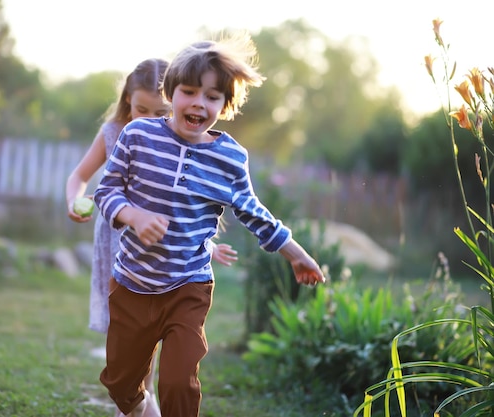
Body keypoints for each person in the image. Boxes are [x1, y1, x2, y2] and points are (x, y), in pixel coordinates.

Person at [93, 32, 326, 417]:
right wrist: (132, 215)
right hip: (132, 282)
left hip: (188, 285)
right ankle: (137, 408)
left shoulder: (229, 159)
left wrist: (295, 253)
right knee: (120, 382)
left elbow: (253, 211)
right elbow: (106, 190)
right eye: (189, 91)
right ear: (171, 92)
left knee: (178, 380)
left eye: (212, 97)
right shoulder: (138, 135)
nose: (199, 103)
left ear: (226, 104)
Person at [65, 58, 238, 417]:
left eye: (156, 111)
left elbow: (187, 206)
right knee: (125, 338)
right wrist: (73, 200)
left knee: (155, 340)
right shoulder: (114, 133)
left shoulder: (180, 141)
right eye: (138, 108)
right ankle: (133, 402)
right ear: (126, 100)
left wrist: (208, 244)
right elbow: (79, 176)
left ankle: (140, 407)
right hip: (116, 244)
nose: (145, 118)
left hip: (161, 259)